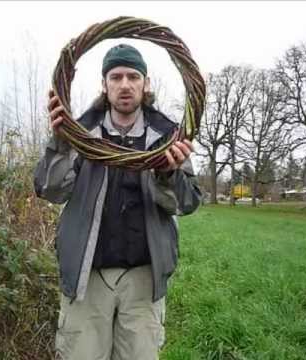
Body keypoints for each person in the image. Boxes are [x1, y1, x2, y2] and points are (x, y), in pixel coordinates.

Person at [34, 44, 201, 360]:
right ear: (104, 84)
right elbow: (50, 190)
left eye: (133, 76)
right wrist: (60, 142)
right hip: (87, 278)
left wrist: (168, 174)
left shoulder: (169, 137)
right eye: (116, 76)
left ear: (145, 84)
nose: (125, 84)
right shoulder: (79, 132)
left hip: (143, 279)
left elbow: (187, 202)